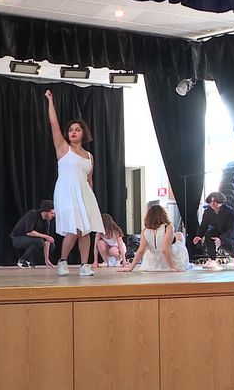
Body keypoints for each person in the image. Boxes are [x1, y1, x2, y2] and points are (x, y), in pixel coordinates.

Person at [44, 89, 105, 276]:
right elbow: (54, 124)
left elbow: (89, 179)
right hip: (66, 192)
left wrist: (90, 200)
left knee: (86, 230)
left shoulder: (89, 156)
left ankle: (84, 265)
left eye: (77, 130)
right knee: (74, 229)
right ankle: (62, 261)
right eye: (71, 130)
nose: (73, 132)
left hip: (85, 194)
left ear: (83, 133)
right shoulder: (63, 148)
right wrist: (50, 100)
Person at [119, 205, 188, 272]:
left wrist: (131, 268)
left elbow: (140, 251)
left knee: (177, 236)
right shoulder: (168, 228)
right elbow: (164, 249)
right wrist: (172, 267)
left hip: (152, 263)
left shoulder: (145, 231)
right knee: (179, 235)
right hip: (169, 261)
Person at [192, 192, 234, 264]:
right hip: (219, 231)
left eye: (215, 201)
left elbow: (232, 229)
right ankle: (212, 259)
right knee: (209, 235)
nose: (212, 204)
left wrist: (221, 239)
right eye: (211, 201)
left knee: (225, 243)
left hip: (231, 234)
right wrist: (199, 235)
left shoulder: (230, 211)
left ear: (220, 202)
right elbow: (204, 225)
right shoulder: (207, 212)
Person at [10, 200, 56, 268]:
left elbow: (47, 241)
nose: (53, 216)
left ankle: (30, 260)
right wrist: (46, 236)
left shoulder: (46, 222)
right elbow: (29, 232)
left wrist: (46, 259)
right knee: (39, 242)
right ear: (45, 212)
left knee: (51, 246)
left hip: (31, 240)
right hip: (17, 239)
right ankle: (22, 260)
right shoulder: (33, 214)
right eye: (52, 213)